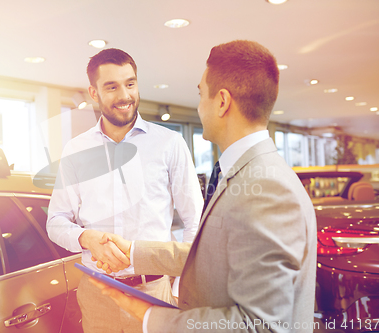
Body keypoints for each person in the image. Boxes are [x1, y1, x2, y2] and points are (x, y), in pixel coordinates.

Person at [91, 40, 317, 333]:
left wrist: (149, 316)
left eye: (201, 95)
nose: (199, 106)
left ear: (222, 102)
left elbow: (260, 326)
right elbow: (214, 255)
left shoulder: (268, 189)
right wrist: (134, 252)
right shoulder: (247, 174)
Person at [46, 48, 203, 333]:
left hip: (154, 292)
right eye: (112, 87)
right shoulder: (76, 150)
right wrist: (84, 237)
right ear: (93, 93)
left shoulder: (170, 143)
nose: (125, 95)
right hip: (96, 294)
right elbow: (56, 221)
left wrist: (182, 286)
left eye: (130, 84)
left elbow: (196, 220)